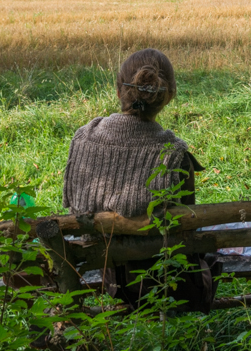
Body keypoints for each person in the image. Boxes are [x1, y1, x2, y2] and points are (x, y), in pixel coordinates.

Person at [63, 48, 220, 313]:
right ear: (168, 96)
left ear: (118, 92)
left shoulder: (83, 138)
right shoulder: (174, 154)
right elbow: (186, 229)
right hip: (166, 284)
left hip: (110, 275)